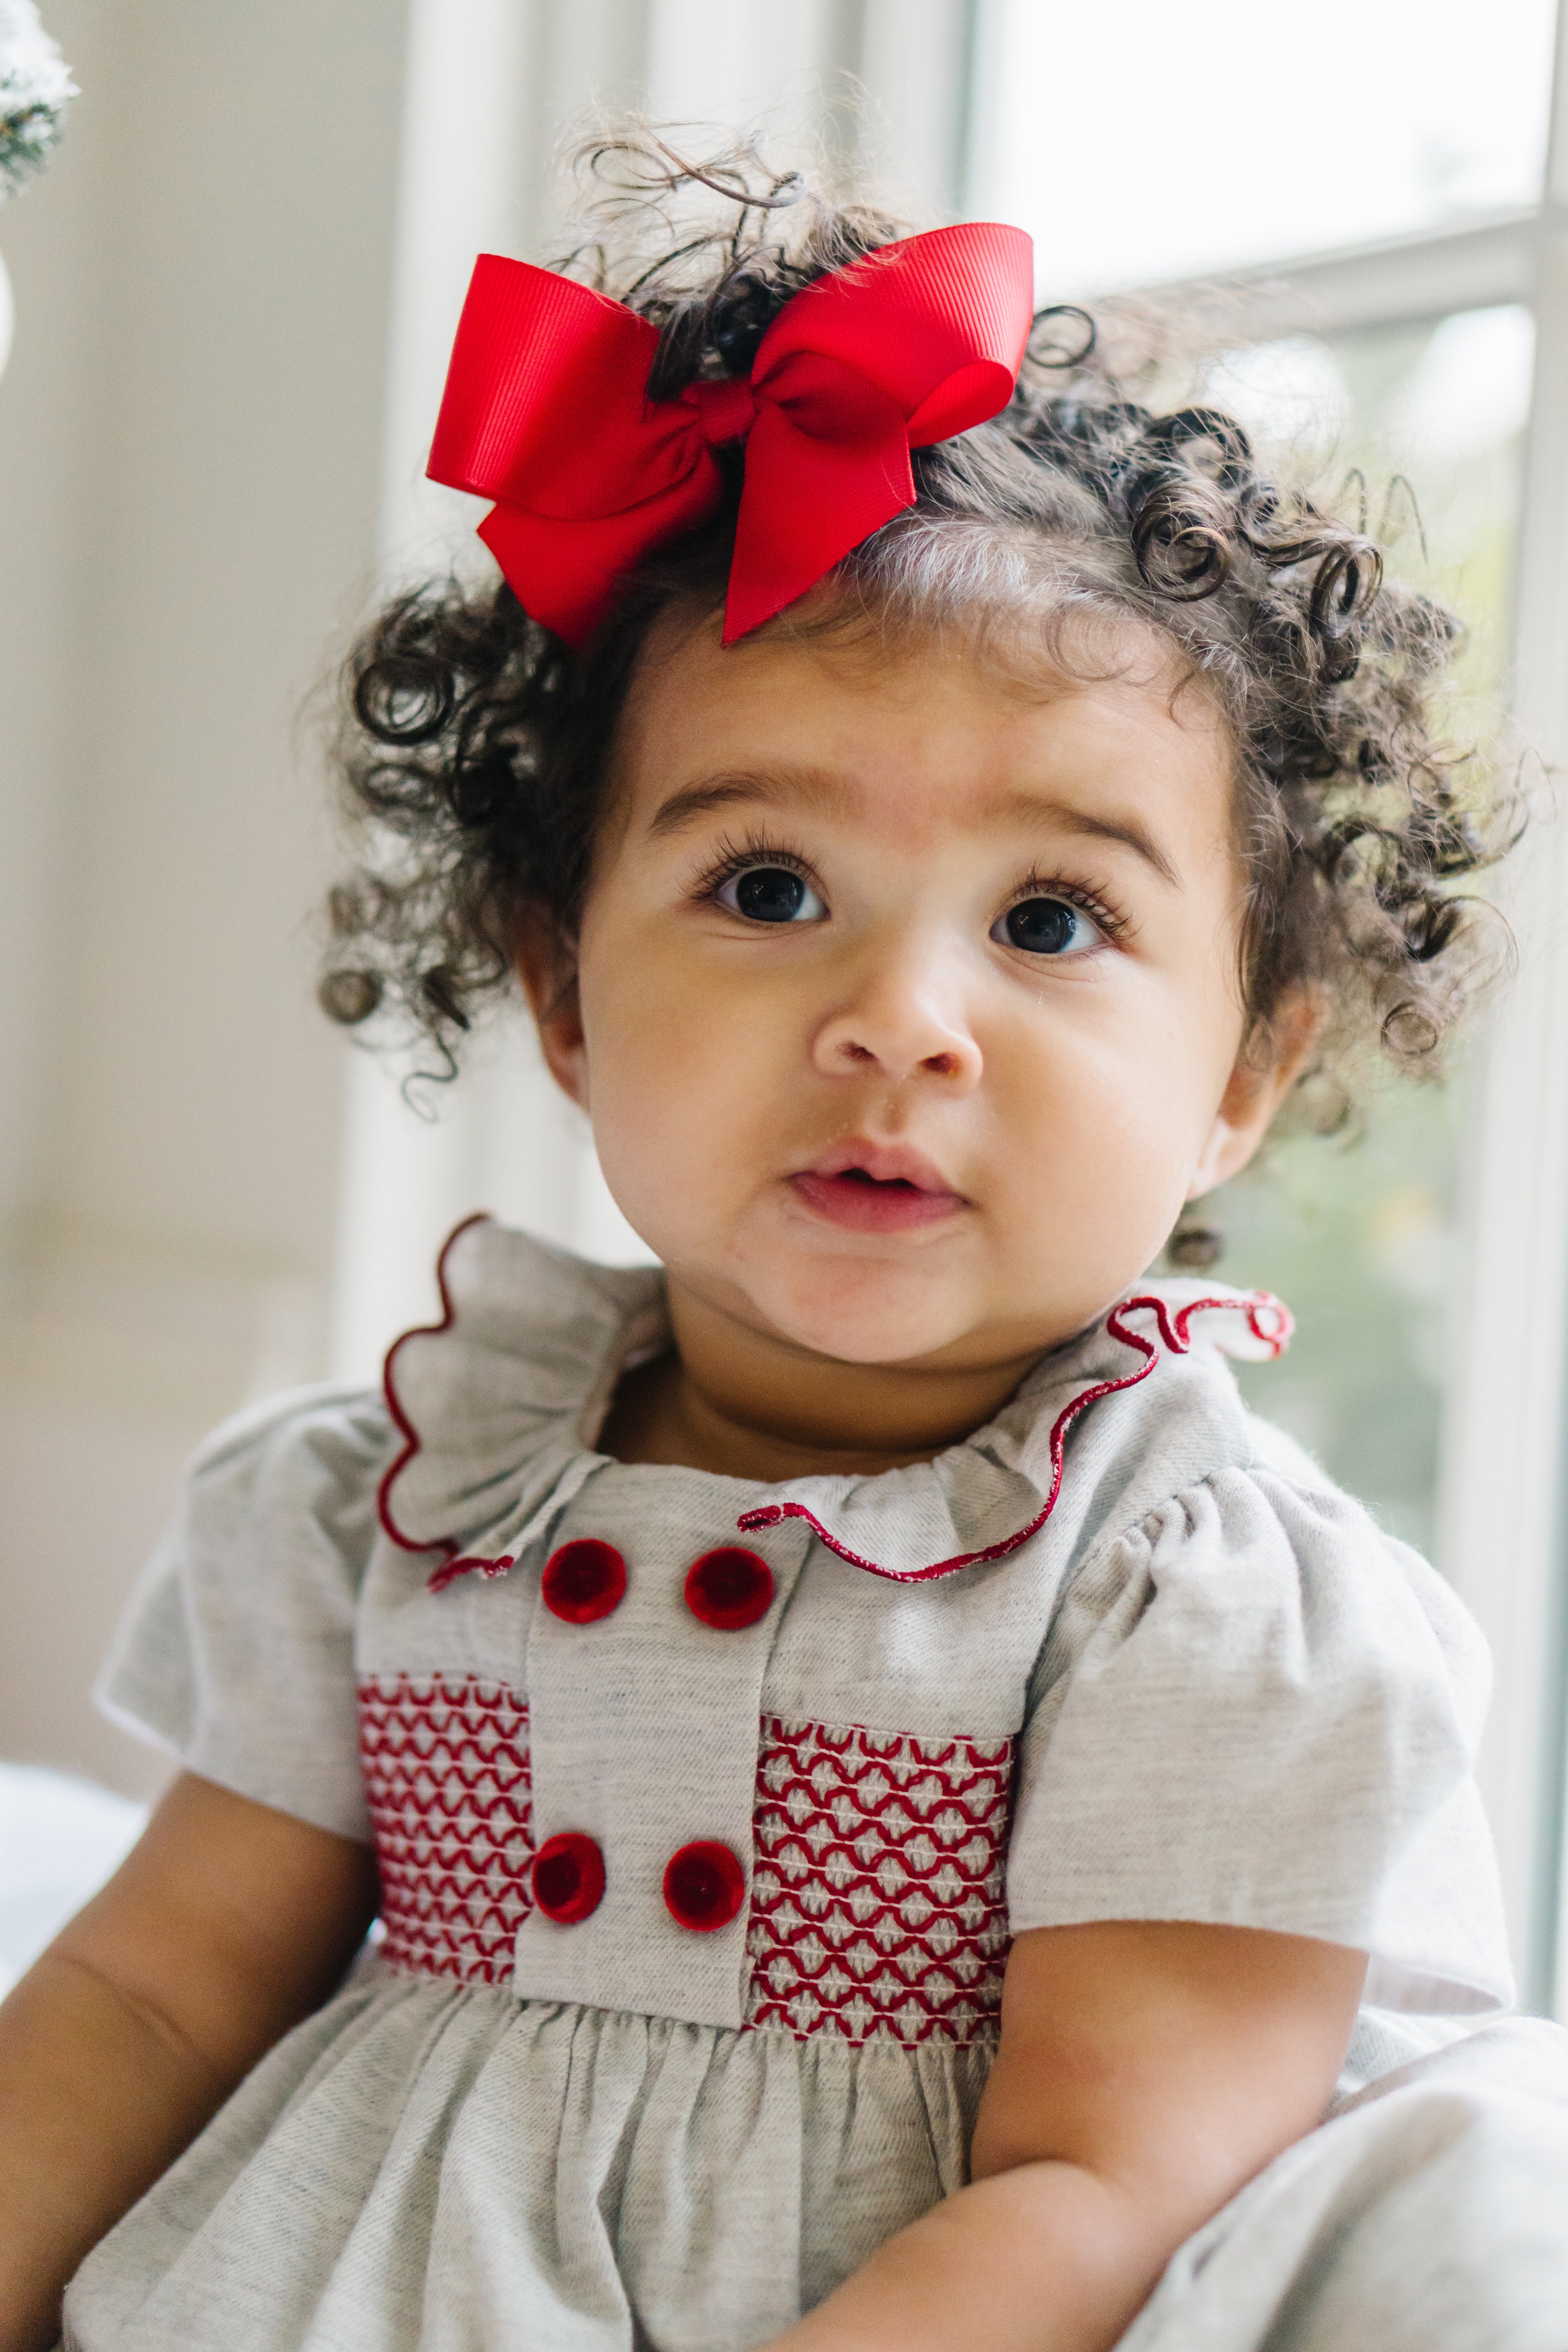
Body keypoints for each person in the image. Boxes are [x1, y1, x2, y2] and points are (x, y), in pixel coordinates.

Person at [3, 135, 1566, 2352]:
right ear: (559, 988)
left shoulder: (1191, 1597)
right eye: (763, 888)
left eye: (1052, 919)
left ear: (1244, 1065)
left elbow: (1104, 2190)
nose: (899, 1024)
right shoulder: (392, 1499)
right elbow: (150, 2002)